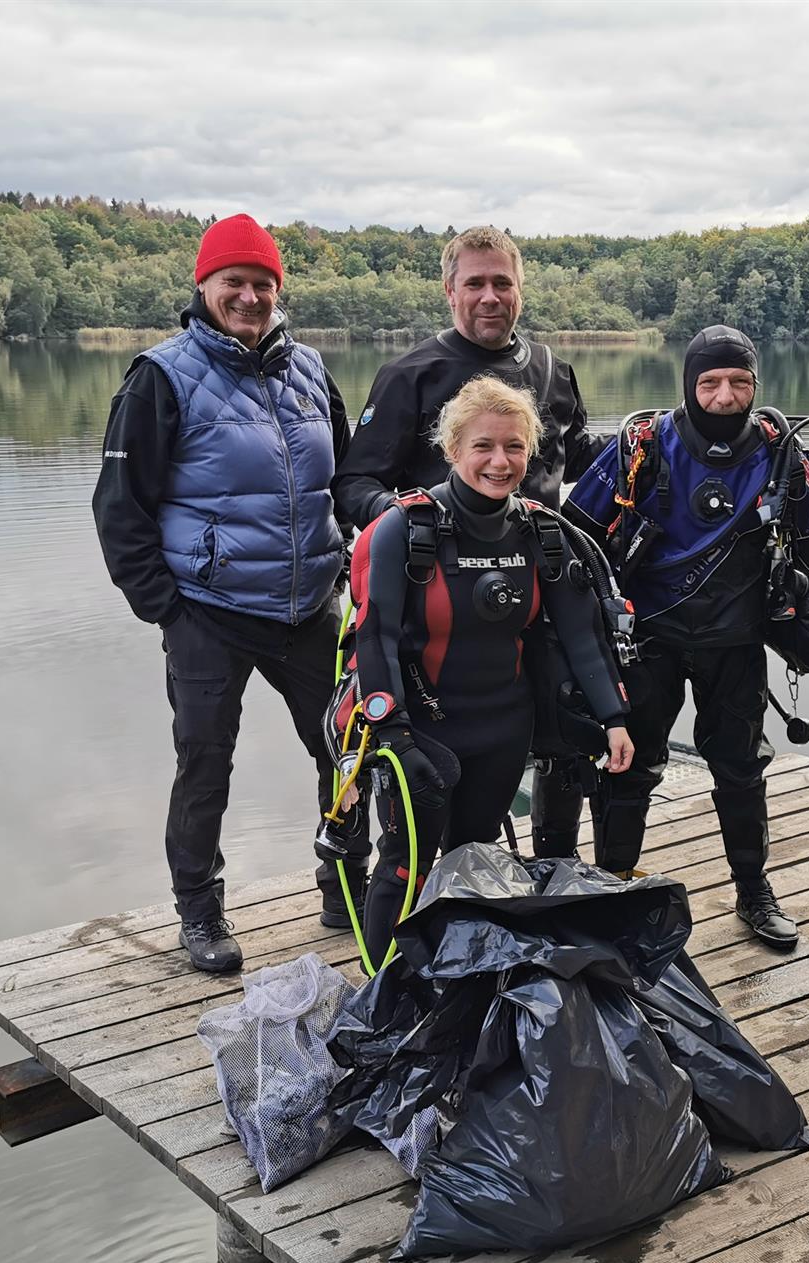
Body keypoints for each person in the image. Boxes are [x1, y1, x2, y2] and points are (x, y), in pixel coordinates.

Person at [92, 213, 368, 974]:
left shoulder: (310, 370)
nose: (249, 298)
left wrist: (365, 554)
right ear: (203, 287)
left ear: (278, 291)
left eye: (262, 285)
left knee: (345, 750)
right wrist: (168, 610)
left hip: (311, 605)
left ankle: (344, 886)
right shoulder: (162, 376)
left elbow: (341, 483)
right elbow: (119, 508)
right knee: (204, 763)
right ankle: (200, 912)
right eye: (234, 284)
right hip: (207, 612)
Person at [565, 326, 809, 949]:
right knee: (630, 764)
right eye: (711, 382)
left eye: (739, 382)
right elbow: (576, 535)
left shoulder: (781, 451)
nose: (725, 396)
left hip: (737, 640)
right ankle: (615, 883)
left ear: (754, 385)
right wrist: (571, 633)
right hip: (647, 639)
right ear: (689, 384)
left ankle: (753, 891)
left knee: (740, 767)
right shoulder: (640, 448)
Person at [331, 226, 605, 862]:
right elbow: (354, 482)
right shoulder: (410, 375)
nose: (489, 296)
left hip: (535, 600)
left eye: (501, 283)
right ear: (449, 290)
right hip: (440, 615)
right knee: (423, 796)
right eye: (475, 283)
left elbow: (583, 463)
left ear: (520, 289)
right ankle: (391, 898)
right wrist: (409, 525)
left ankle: (549, 877)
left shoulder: (552, 371)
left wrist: (660, 442)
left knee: (562, 745)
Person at [346, 375, 634, 968]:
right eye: (483, 446)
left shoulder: (541, 532)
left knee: (474, 861)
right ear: (452, 450)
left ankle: (457, 982)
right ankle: (380, 995)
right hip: (421, 733)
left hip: (504, 729)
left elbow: (581, 634)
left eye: (514, 446)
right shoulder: (408, 528)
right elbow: (374, 637)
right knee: (405, 861)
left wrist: (614, 719)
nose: (500, 462)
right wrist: (394, 735)